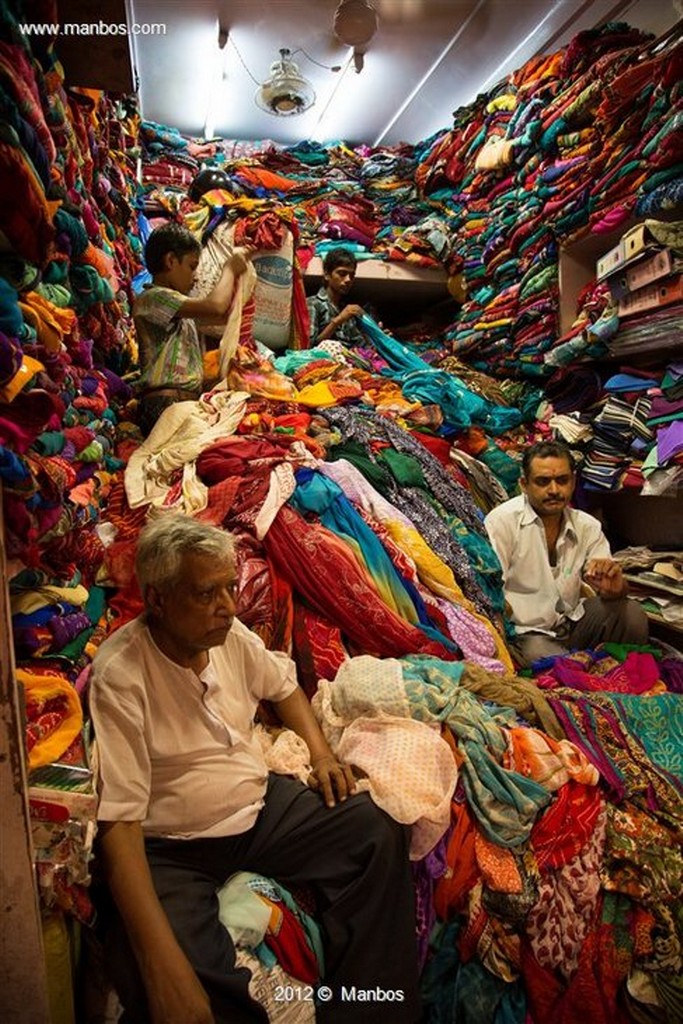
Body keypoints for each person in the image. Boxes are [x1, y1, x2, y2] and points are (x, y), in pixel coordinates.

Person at [89, 514, 421, 1024]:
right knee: (182, 980)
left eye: (230, 588)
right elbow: (120, 821)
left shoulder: (230, 635)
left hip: (258, 807)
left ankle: (368, 1012)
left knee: (373, 830)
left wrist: (323, 755)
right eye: (207, 594)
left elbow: (284, 687)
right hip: (173, 848)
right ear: (157, 599)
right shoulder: (120, 675)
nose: (228, 607)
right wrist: (163, 967)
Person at [484, 440, 649, 667]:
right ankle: (580, 668)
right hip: (526, 635)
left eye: (562, 480)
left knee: (631, 613)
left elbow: (611, 588)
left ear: (573, 482)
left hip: (570, 624)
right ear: (524, 484)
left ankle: (621, 676)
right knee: (550, 659)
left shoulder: (587, 526)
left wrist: (615, 588)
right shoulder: (502, 521)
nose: (554, 490)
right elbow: (490, 592)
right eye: (543, 482)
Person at [133, 222, 252, 436]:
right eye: (191, 266)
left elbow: (224, 315)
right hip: (166, 405)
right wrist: (229, 268)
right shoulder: (153, 297)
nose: (195, 276)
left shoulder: (181, 311)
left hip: (179, 403)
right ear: (170, 261)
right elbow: (215, 307)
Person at [307, 248, 367, 347]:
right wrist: (338, 320)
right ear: (327, 275)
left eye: (351, 275)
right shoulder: (313, 304)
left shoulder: (347, 309)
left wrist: (375, 334)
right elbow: (309, 346)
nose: (348, 280)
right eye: (342, 274)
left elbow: (360, 345)